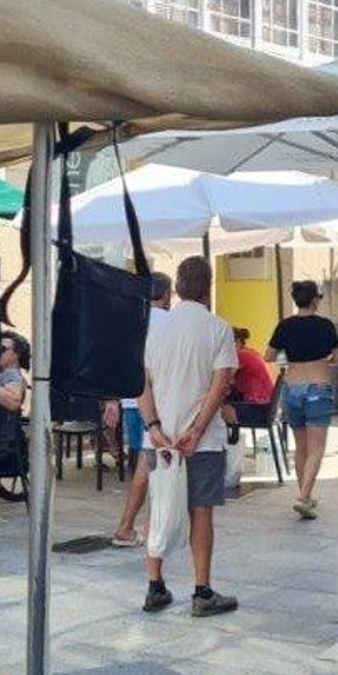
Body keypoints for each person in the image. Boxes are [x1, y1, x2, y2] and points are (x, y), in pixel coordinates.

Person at [138, 257, 239, 616]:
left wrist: (154, 427)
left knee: (158, 502)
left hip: (160, 438)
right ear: (208, 287)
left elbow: (142, 383)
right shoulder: (218, 328)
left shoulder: (154, 329)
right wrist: (196, 429)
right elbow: (220, 384)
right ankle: (202, 589)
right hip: (203, 440)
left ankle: (155, 584)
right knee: (201, 511)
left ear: (177, 287)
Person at [266, 279, 338, 520]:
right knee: (316, 448)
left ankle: (305, 496)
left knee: (301, 447)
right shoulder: (325, 325)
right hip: (318, 387)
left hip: (293, 387)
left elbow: (268, 355)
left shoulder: (285, 325)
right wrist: (325, 361)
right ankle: (303, 496)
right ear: (314, 300)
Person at [112, 271, 173, 548]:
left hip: (129, 399)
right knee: (151, 467)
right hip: (157, 403)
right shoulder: (170, 323)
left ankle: (132, 526)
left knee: (145, 465)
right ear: (167, 294)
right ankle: (139, 527)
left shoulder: (130, 320)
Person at [220, 327, 274, 440]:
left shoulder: (240, 355)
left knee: (215, 410)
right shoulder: (249, 352)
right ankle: (231, 443)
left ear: (237, 342)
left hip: (258, 409)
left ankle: (227, 447)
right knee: (225, 401)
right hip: (267, 406)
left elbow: (223, 379)